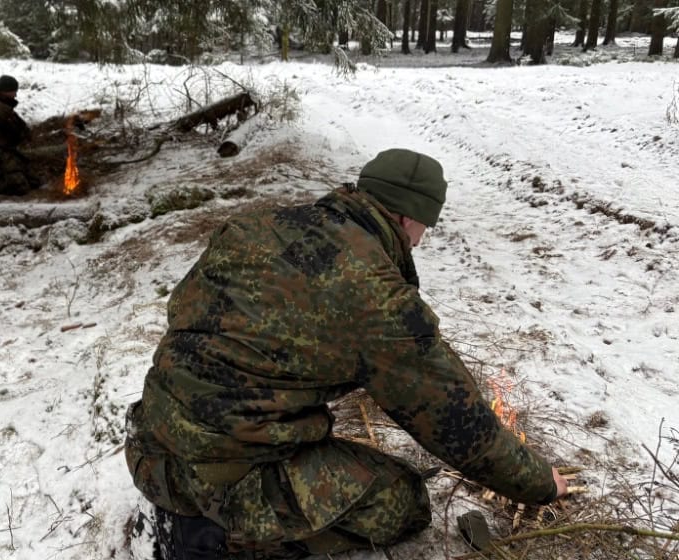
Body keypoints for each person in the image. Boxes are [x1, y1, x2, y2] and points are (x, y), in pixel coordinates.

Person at [124, 148, 569, 559]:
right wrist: (539, 483)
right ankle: (228, 539)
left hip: (151, 443)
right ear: (406, 217)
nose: (418, 243)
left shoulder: (258, 225)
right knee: (403, 500)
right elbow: (457, 423)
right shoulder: (376, 296)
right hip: (229, 477)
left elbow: (184, 311)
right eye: (423, 230)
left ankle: (209, 506)